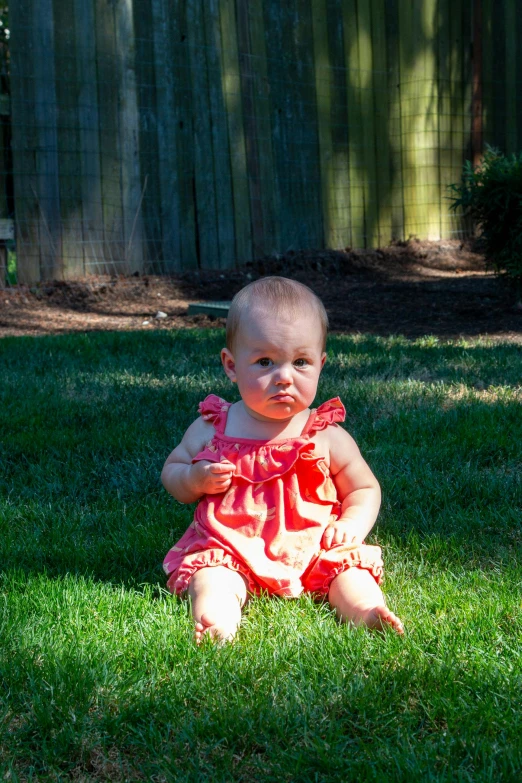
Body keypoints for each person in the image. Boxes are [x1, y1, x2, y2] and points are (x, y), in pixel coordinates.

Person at [162, 276, 403, 642]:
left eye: (301, 362)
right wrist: (194, 480)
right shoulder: (213, 427)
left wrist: (352, 524)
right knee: (213, 574)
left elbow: (365, 487)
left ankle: (366, 610)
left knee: (350, 573)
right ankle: (219, 617)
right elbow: (173, 470)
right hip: (231, 543)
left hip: (314, 544)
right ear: (231, 365)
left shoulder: (324, 434)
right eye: (264, 362)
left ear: (321, 364)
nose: (284, 378)